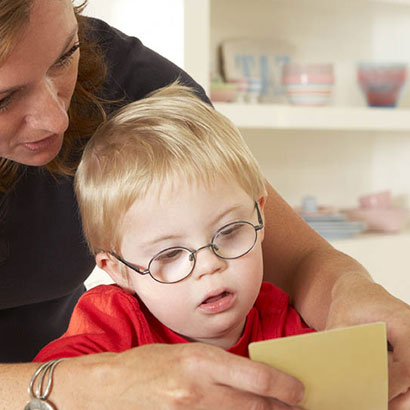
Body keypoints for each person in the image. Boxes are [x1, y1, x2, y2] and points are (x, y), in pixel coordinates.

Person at [0, 0, 409, 409]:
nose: (58, 119)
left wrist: (351, 296)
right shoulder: (113, 325)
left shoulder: (130, 84)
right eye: (4, 98)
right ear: (118, 269)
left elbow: (305, 265)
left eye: (66, 55)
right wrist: (85, 389)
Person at [34, 83, 315, 363]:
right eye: (170, 254)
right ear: (119, 270)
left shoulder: (280, 320)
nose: (209, 266)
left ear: (260, 215)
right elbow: (47, 386)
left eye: (229, 232)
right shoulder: (113, 322)